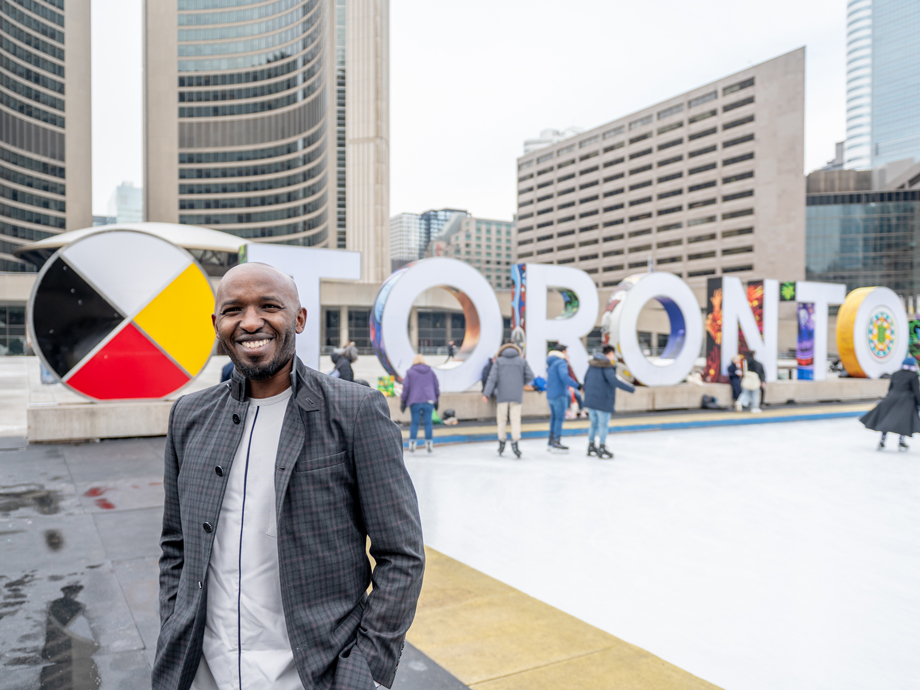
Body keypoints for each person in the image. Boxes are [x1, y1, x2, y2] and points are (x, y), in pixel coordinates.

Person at [153, 263, 424, 690]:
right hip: (201, 673)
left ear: (298, 318)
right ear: (216, 324)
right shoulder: (189, 416)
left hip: (313, 676)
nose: (250, 322)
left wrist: (365, 670)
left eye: (269, 306)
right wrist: (173, 623)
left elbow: (401, 556)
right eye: (233, 310)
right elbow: (176, 545)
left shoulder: (355, 412)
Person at [482, 343, 535, 459]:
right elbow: (530, 376)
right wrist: (521, 382)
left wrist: (486, 393)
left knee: (502, 419)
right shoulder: (521, 361)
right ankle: (515, 442)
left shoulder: (499, 361)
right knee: (515, 419)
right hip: (516, 395)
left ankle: (502, 441)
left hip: (502, 395)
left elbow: (491, 378)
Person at [583, 345, 635, 459]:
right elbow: (613, 381)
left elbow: (585, 379)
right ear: (611, 353)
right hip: (602, 400)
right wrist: (631, 388)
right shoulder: (606, 365)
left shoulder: (592, 365)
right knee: (603, 425)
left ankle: (591, 445)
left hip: (591, 400)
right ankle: (602, 447)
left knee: (593, 424)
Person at [860, 355, 920, 451]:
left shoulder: (896, 373)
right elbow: (916, 391)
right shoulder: (913, 375)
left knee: (886, 419)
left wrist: (888, 398)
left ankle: (882, 440)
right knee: (904, 421)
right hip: (906, 401)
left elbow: (890, 388)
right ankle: (901, 441)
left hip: (891, 398)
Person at [400, 353, 440, 453]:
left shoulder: (410, 372)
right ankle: (429, 443)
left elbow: (406, 388)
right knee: (427, 422)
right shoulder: (430, 371)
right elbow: (436, 386)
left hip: (415, 400)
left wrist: (403, 401)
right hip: (429, 399)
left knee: (415, 422)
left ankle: (412, 443)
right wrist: (437, 399)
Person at [546, 345, 580, 452]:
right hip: (559, 394)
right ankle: (556, 440)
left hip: (551, 394)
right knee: (559, 418)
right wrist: (577, 385)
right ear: (563, 352)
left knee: (554, 417)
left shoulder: (551, 363)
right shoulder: (561, 362)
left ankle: (551, 440)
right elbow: (564, 377)